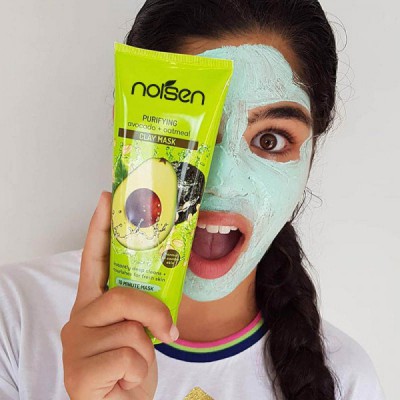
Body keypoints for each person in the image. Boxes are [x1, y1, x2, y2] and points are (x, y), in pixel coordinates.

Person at [0, 0, 386, 399]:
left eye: (270, 140)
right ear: (126, 128)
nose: (219, 184)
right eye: (184, 132)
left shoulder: (347, 381)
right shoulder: (14, 317)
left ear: (311, 158)